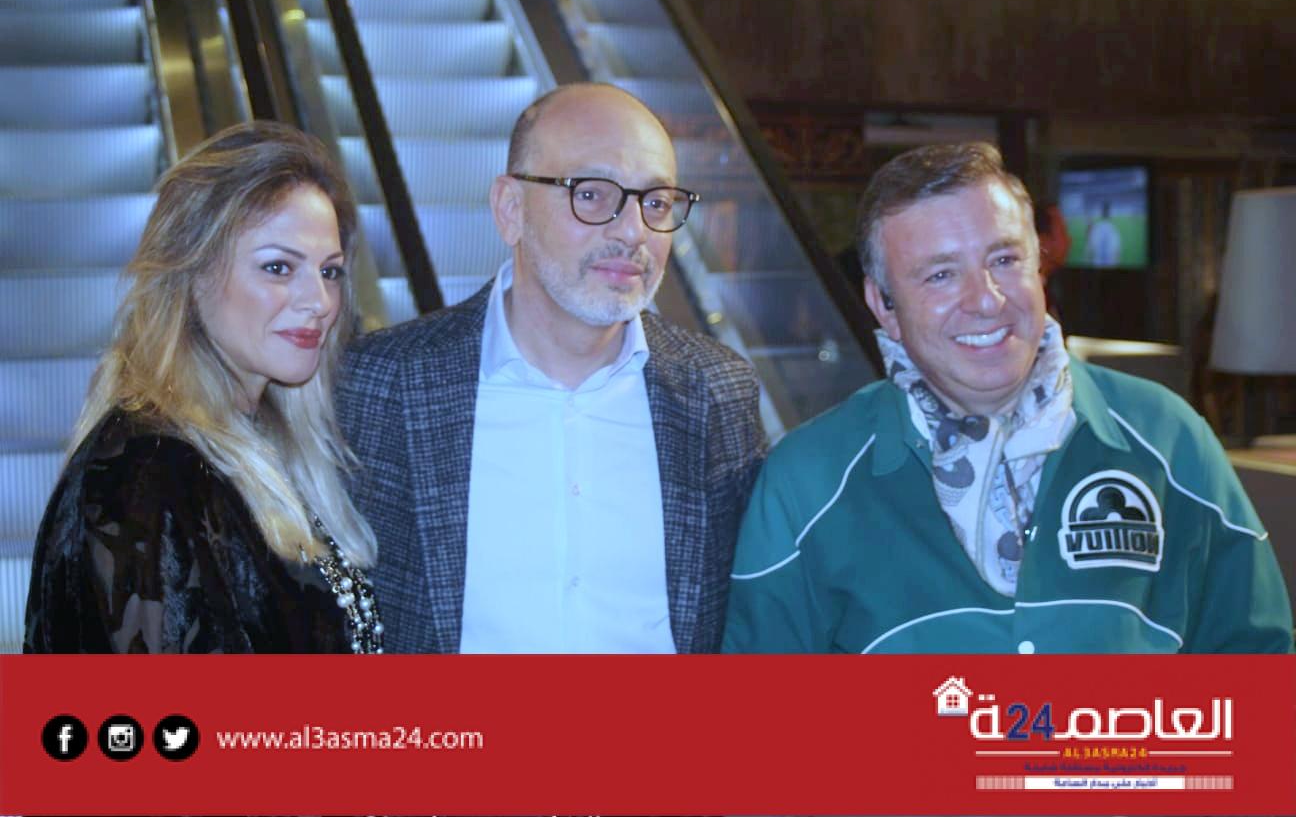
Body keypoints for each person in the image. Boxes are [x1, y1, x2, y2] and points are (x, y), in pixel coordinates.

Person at [723, 142, 1293, 654]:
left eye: (1004, 260)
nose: (986, 300)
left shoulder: (1168, 437)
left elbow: (1260, 670)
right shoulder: (807, 481)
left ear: (1039, 265)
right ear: (883, 305)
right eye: (940, 275)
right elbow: (761, 717)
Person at [336, 82, 766, 653]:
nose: (633, 231)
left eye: (657, 202)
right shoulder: (381, 384)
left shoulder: (718, 392)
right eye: (591, 194)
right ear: (510, 209)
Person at [24, 121, 383, 654]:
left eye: (330, 272)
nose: (320, 302)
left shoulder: (269, 442)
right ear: (191, 274)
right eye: (279, 267)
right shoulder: (147, 472)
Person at [1085, 200, 1121, 266]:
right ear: (1110, 214)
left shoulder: (1096, 229)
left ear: (1101, 213)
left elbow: (1090, 250)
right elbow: (1117, 253)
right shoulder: (1113, 230)